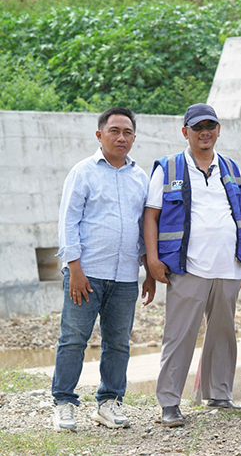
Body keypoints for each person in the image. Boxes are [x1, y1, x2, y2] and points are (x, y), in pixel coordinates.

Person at [143, 103, 241, 427]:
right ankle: (169, 402)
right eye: (197, 127)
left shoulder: (232, 168)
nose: (204, 132)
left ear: (218, 130)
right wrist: (152, 259)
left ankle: (219, 394)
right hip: (187, 267)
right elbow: (151, 215)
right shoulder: (168, 168)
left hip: (229, 267)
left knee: (223, 333)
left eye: (210, 126)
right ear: (186, 132)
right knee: (179, 335)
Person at [53, 107, 155, 431]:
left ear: (134, 137)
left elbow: (143, 228)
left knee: (119, 343)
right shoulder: (83, 172)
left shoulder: (141, 177)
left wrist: (148, 271)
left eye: (127, 132)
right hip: (86, 273)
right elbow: (68, 221)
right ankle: (64, 403)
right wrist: (75, 269)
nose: (121, 137)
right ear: (100, 135)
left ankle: (109, 402)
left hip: (125, 277)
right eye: (114, 131)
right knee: (73, 340)